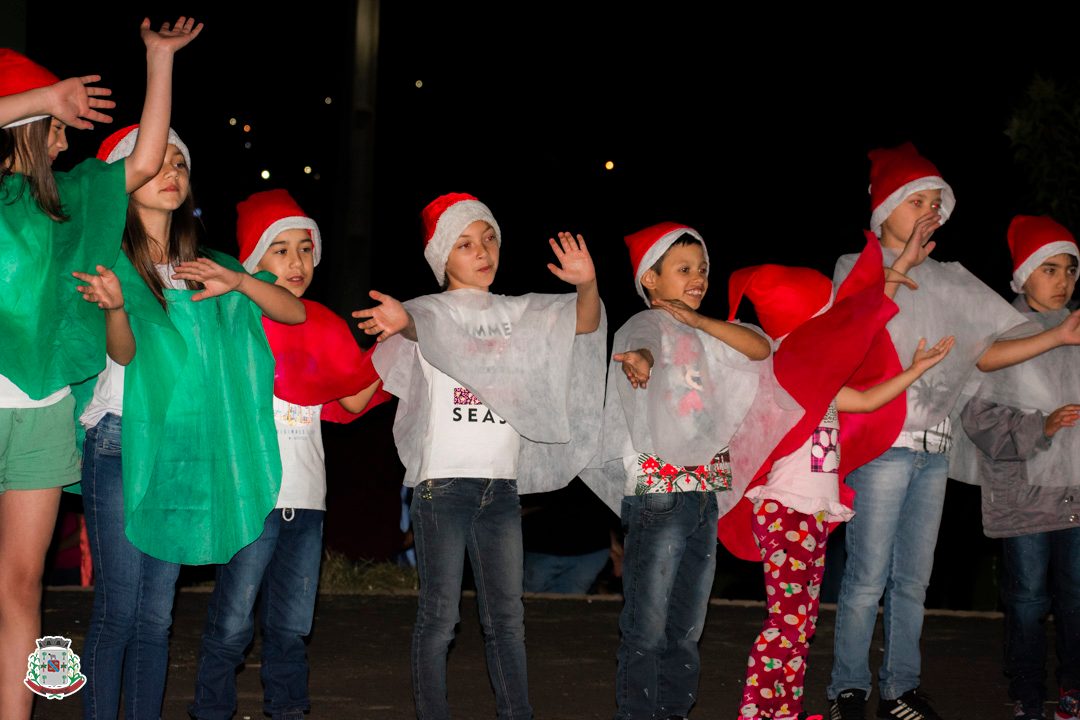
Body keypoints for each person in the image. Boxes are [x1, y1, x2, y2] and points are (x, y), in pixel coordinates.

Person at [827, 143, 1080, 720]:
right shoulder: (856, 267)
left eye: (935, 202)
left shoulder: (953, 279)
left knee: (913, 579)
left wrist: (1059, 338)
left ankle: (900, 689)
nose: (927, 210)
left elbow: (989, 354)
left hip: (933, 449)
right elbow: (850, 336)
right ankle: (847, 690)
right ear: (883, 209)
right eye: (915, 199)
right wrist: (896, 272)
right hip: (882, 444)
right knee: (867, 575)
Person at [0, 19, 200, 720]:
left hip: (43, 409)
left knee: (21, 586)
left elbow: (145, 160)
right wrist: (42, 97)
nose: (64, 135)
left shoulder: (77, 197)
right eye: (52, 125)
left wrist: (159, 60)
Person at [76, 124, 304, 720]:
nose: (171, 170)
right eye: (155, 162)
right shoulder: (106, 261)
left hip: (183, 448)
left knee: (157, 617)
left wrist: (238, 280)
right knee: (120, 612)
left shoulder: (211, 266)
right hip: (121, 440)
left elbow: (294, 311)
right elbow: (122, 355)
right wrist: (119, 307)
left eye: (180, 161)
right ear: (126, 181)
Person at [353, 192, 606, 719]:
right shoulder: (425, 311)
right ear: (442, 257)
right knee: (440, 617)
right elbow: (422, 330)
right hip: (443, 484)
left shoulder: (520, 312)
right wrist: (403, 321)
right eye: (465, 243)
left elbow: (582, 323)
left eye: (488, 237)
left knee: (507, 619)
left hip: (500, 487)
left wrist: (586, 283)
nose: (482, 250)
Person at [722, 236, 954, 720]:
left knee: (801, 624)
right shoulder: (786, 370)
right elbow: (849, 322)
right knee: (785, 624)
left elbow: (868, 401)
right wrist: (885, 282)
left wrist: (914, 370)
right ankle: (756, 711)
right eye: (823, 313)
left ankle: (783, 709)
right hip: (784, 511)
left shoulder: (820, 383)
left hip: (810, 516)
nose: (834, 321)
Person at [189, 188, 388, 720]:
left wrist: (402, 342)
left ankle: (289, 711)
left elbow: (352, 395)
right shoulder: (234, 313)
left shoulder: (321, 321)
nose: (297, 261)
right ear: (252, 259)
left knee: (292, 626)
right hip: (252, 495)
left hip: (307, 500)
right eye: (281, 249)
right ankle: (210, 709)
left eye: (305, 248)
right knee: (232, 622)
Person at [581, 221, 772, 720]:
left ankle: (673, 711)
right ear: (650, 278)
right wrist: (641, 361)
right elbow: (640, 346)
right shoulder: (646, 324)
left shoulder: (708, 331)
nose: (698, 276)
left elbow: (759, 347)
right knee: (647, 623)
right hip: (657, 494)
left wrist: (700, 321)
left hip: (702, 492)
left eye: (703, 267)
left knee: (687, 625)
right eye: (683, 268)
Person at [952, 215, 1080, 720]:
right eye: (1049, 269)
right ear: (1023, 275)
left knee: (1076, 597)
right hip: (1024, 493)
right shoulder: (1000, 332)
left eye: (1070, 269)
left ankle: (1072, 686)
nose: (1063, 280)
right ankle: (1027, 692)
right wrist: (1041, 427)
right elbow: (977, 417)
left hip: (1076, 492)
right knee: (1027, 598)